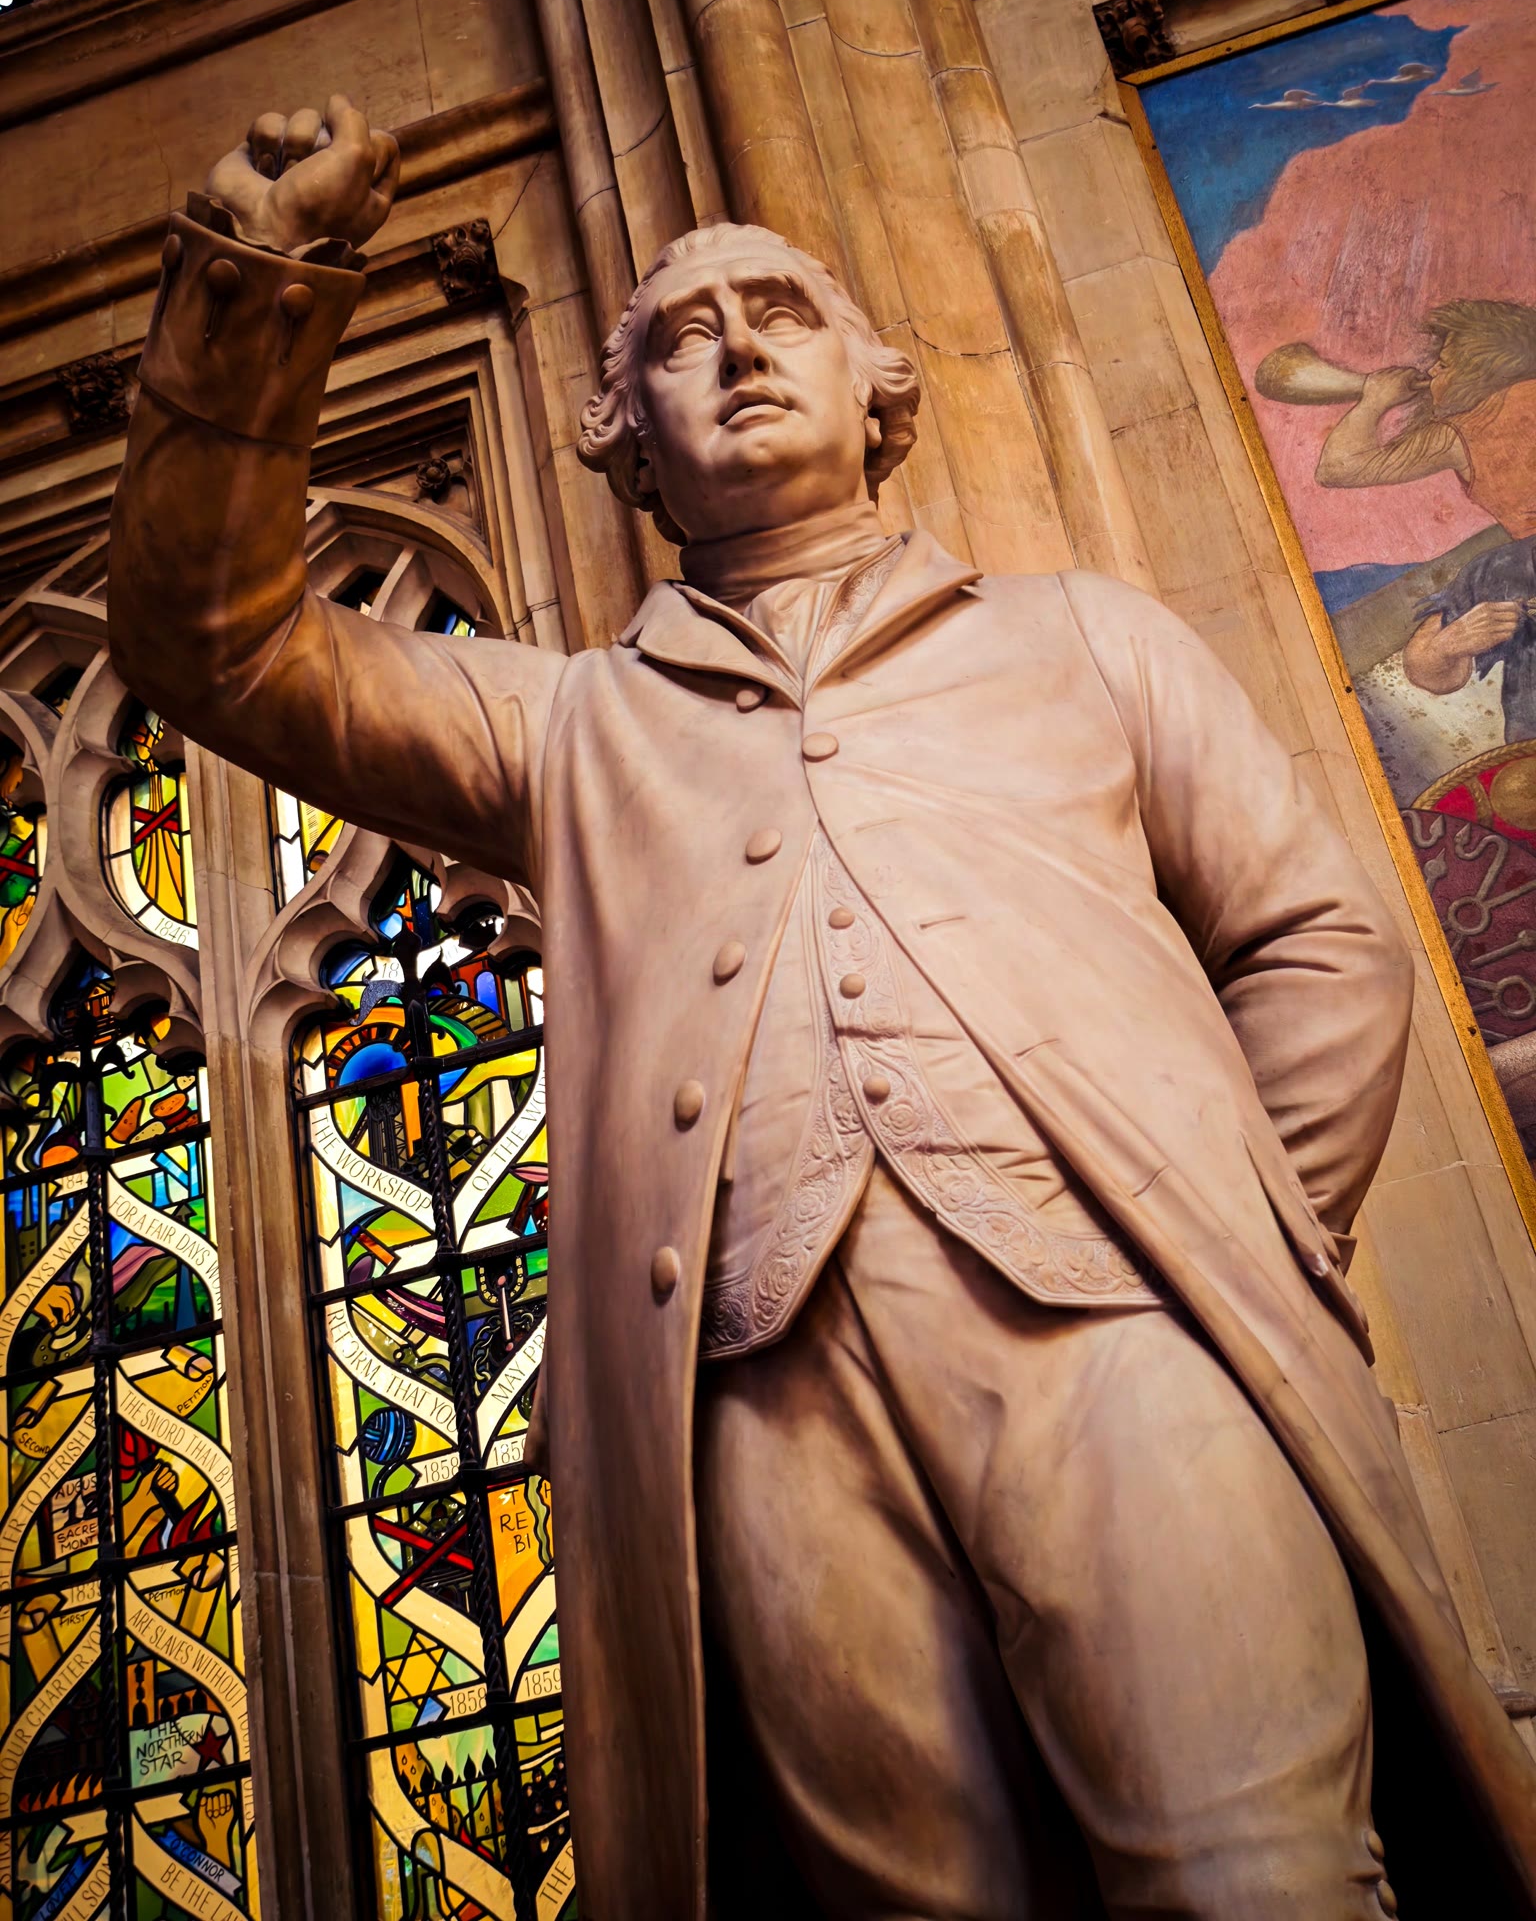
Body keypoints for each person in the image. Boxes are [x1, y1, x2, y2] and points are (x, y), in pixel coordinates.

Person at [108, 97, 1536, 1921]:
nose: (736, 351)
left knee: (1256, 1874)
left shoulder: (1085, 637)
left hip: (1120, 1325)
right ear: (630, 446)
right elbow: (220, 639)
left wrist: (1239, 1238)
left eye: (779, 313)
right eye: (679, 340)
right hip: (762, 1398)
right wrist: (257, 278)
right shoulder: (569, 726)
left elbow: (1317, 941)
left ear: (876, 387)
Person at [1316, 299, 1536, 728]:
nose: (1433, 372)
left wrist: (1373, 400)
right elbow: (1430, 664)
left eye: (1444, 364)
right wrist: (1451, 643)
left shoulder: (1472, 428)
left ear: (1479, 369)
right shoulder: (1499, 570)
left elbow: (1338, 468)